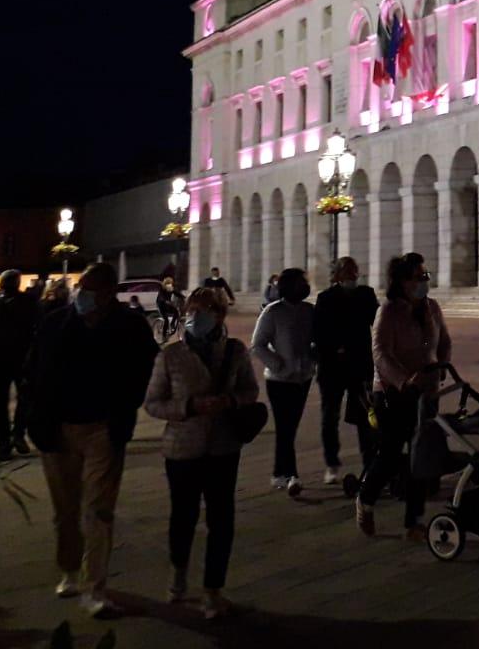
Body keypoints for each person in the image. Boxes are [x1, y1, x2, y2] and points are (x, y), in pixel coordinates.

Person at [25, 263, 159, 617]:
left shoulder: (130, 326)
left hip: (104, 427)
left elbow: (145, 369)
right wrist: (34, 418)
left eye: (92, 289)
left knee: (99, 510)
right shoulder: (55, 323)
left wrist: (125, 406)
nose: (83, 294)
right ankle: (69, 570)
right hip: (57, 428)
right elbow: (34, 372)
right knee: (65, 510)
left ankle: (94, 586)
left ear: (108, 293)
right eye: (81, 287)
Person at [143, 287, 259, 619]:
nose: (197, 315)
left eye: (207, 309)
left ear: (220, 315)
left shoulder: (235, 352)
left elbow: (250, 390)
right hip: (182, 449)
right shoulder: (171, 355)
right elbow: (152, 403)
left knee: (222, 519)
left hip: (223, 447)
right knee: (183, 516)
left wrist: (232, 401)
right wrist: (189, 406)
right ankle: (178, 574)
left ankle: (213, 589)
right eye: (193, 309)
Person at [355, 254, 451, 538]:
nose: (424, 282)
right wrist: (404, 380)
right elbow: (380, 353)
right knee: (390, 452)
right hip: (392, 394)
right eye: (418, 277)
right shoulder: (388, 311)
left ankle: (414, 520)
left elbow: (444, 340)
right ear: (402, 281)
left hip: (426, 390)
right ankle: (366, 499)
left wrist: (442, 366)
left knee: (421, 455)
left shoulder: (431, 308)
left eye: (425, 276)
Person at [313, 255, 380, 485]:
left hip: (360, 365)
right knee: (329, 417)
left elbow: (378, 323)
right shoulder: (326, 298)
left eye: (355, 270)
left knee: (365, 416)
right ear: (338, 274)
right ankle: (332, 463)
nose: (353, 274)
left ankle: (369, 463)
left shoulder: (366, 294)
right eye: (348, 270)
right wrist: (335, 348)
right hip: (332, 367)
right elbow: (319, 332)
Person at [250, 267, 315, 495]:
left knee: (289, 428)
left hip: (303, 378)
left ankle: (279, 472)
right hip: (279, 380)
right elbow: (257, 344)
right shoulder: (272, 312)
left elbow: (316, 340)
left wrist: (312, 359)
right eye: (300, 282)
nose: (304, 286)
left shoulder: (309, 310)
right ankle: (291, 475)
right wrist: (278, 364)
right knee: (285, 427)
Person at [0, 269, 42, 455]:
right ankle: (16, 435)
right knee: (23, 398)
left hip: (4, 359)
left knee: (3, 401)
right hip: (20, 359)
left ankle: (5, 439)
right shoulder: (29, 304)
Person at [156, 275, 184, 343]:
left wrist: (184, 297)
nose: (169, 284)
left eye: (170, 283)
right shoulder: (161, 289)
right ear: (165, 284)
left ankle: (172, 324)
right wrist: (165, 301)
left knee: (176, 312)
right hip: (161, 305)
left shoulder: (170, 288)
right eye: (168, 283)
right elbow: (161, 297)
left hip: (168, 305)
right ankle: (164, 336)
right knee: (165, 320)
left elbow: (177, 293)